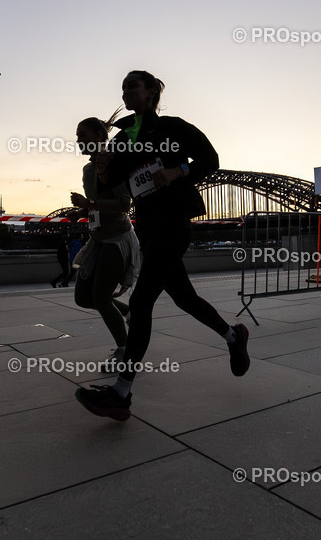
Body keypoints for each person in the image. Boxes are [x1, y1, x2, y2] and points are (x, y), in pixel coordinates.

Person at [75, 70, 250, 421]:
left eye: (133, 86)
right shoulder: (123, 137)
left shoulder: (173, 128)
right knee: (184, 297)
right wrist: (105, 167)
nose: (126, 92)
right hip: (149, 227)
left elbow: (209, 160)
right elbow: (116, 183)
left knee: (140, 302)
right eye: (123, 87)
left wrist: (177, 172)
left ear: (153, 92)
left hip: (174, 223)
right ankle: (234, 337)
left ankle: (120, 394)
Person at [69, 116, 141, 359]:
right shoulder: (88, 169)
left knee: (99, 298)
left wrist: (88, 202)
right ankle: (127, 312)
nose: (78, 140)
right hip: (98, 239)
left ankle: (124, 351)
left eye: (82, 135)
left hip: (116, 239)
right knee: (83, 297)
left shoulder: (112, 162)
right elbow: (97, 206)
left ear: (99, 136)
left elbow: (123, 205)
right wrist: (81, 210)